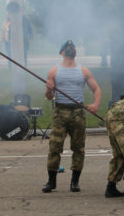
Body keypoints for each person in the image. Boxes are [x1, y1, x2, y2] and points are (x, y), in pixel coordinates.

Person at [42, 40, 101, 193]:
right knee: (55, 147)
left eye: (73, 47)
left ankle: (75, 182)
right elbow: (49, 97)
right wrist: (49, 90)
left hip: (78, 112)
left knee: (78, 148)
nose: (71, 49)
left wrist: (95, 104)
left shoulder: (83, 71)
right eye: (68, 48)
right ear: (62, 52)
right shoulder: (54, 71)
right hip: (60, 112)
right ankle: (51, 181)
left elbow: (96, 89)